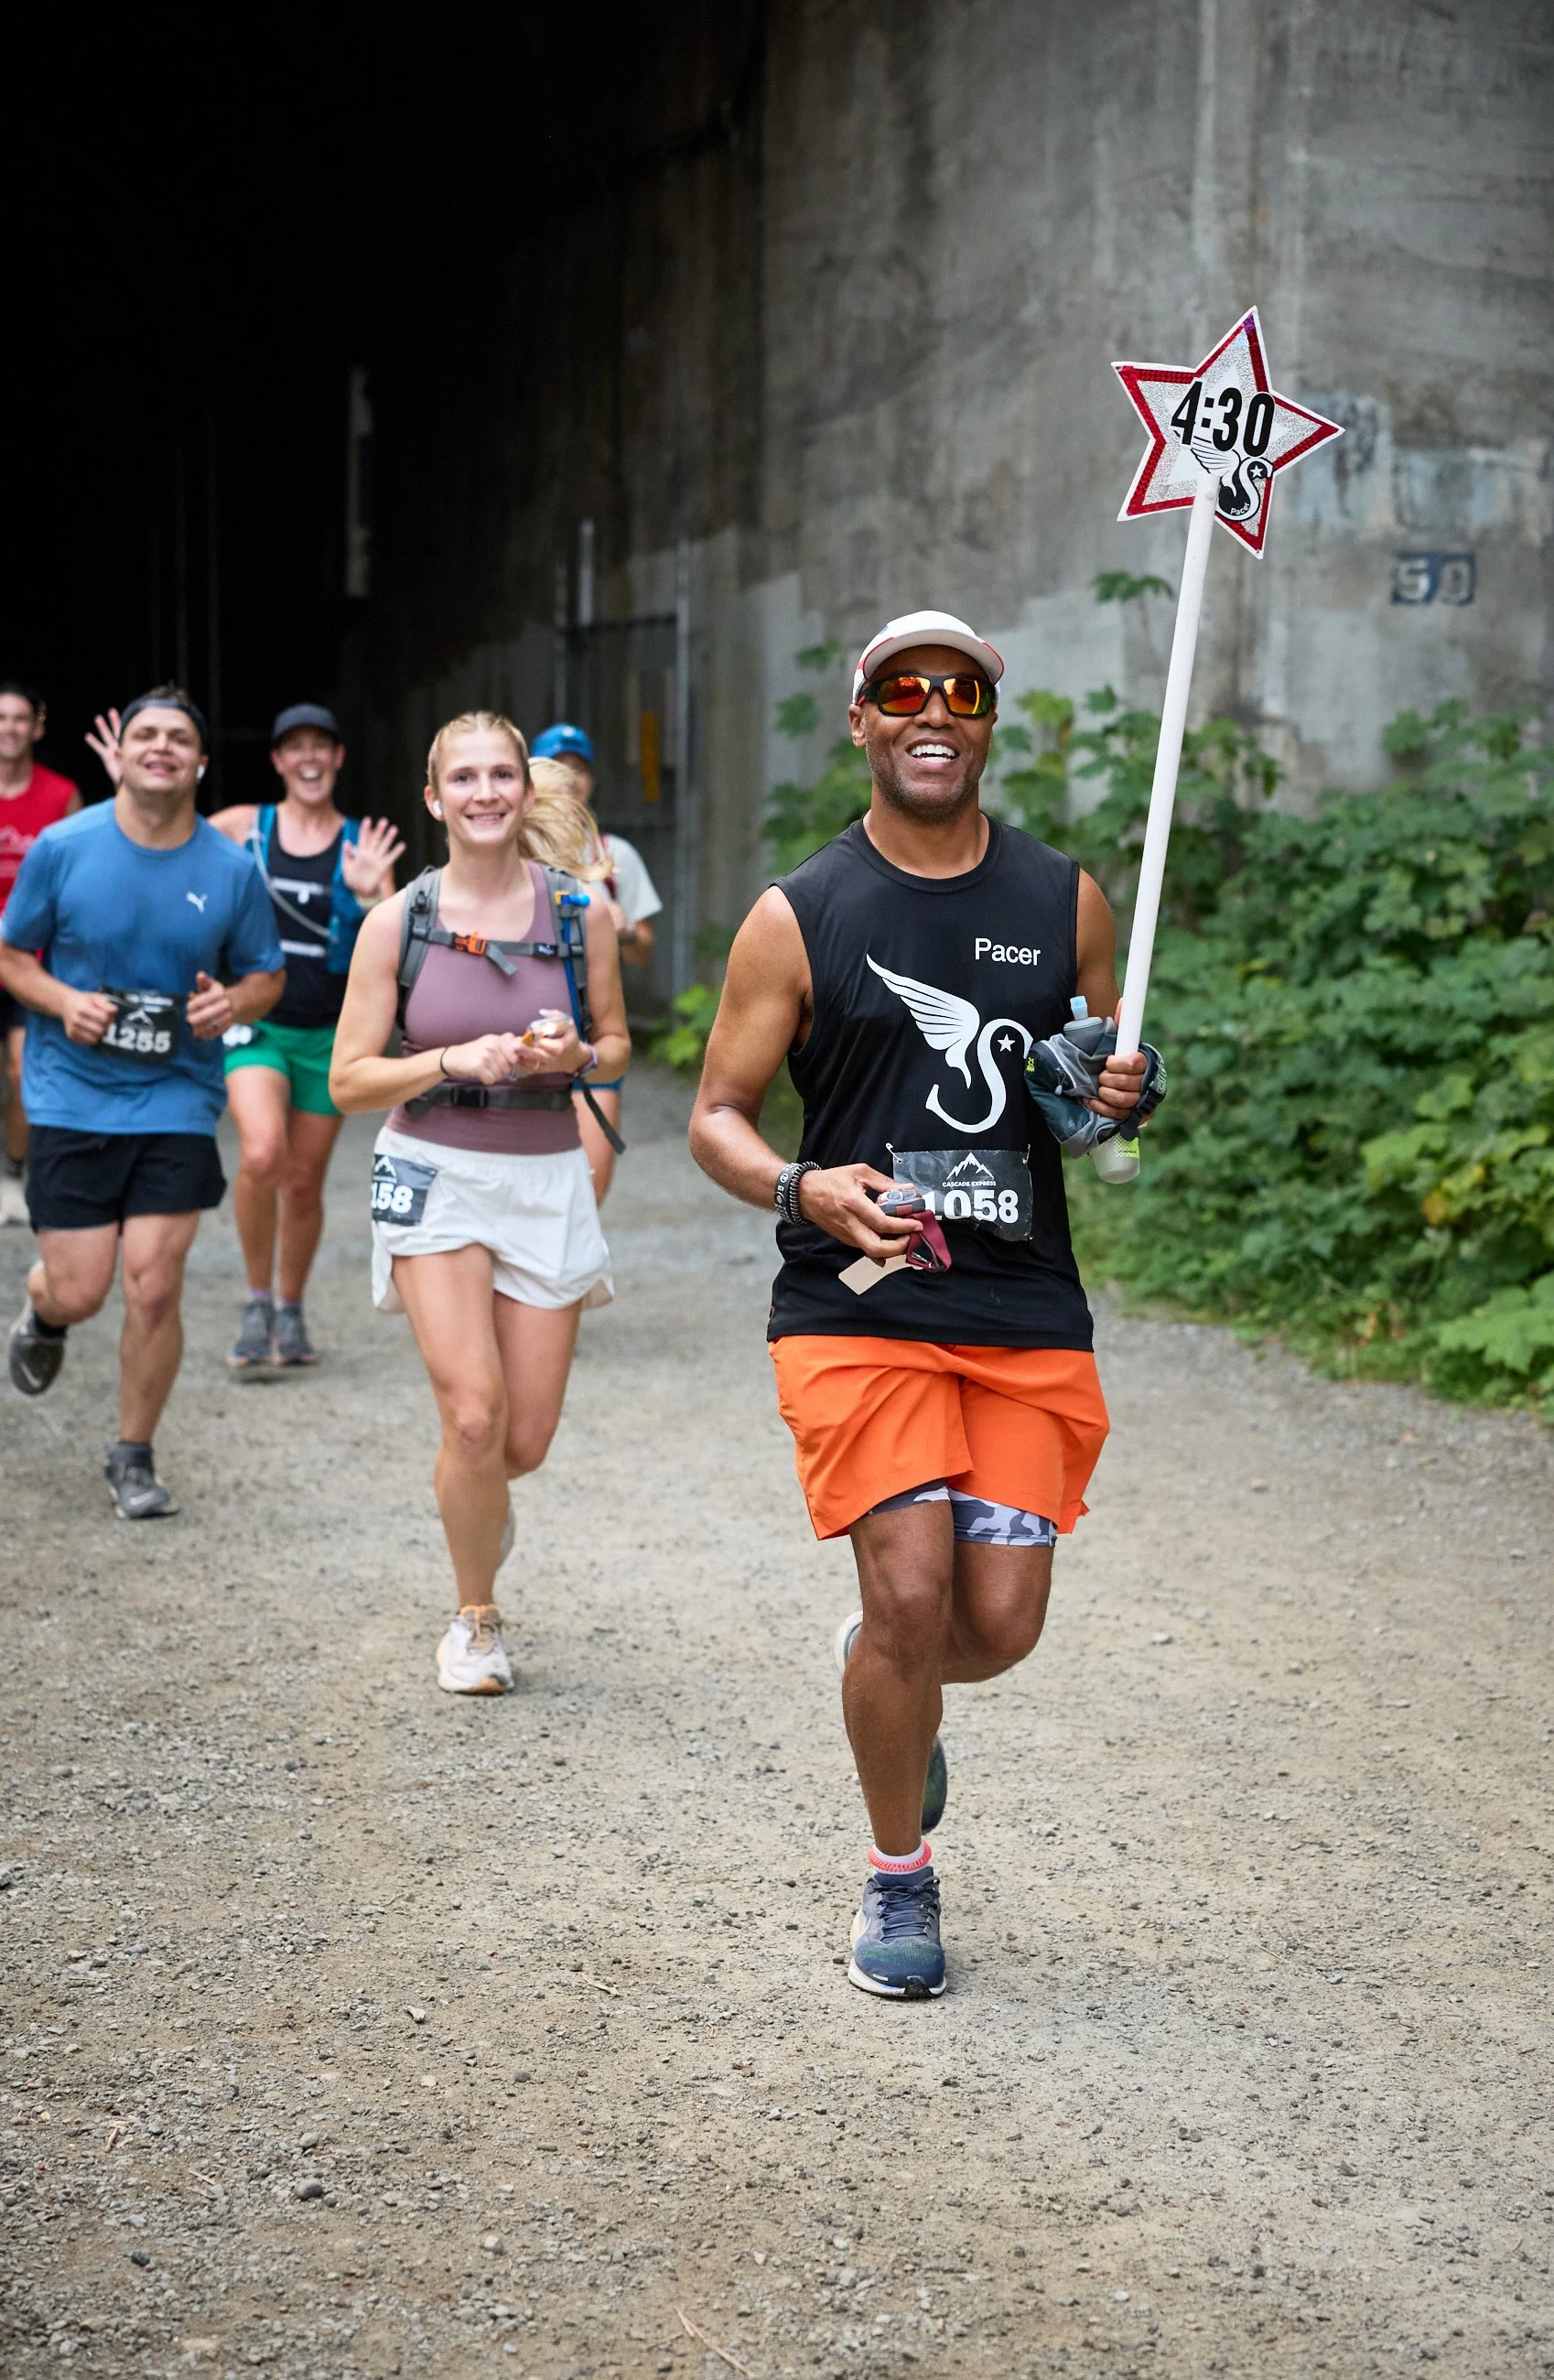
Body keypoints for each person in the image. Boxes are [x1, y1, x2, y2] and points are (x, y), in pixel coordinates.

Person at [689, 611, 1161, 2000]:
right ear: (862, 721)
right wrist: (802, 1185)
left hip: (1021, 1309)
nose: (933, 710)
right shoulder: (799, 914)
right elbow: (714, 1116)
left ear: (988, 725)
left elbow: (1088, 1106)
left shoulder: (1062, 899)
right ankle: (899, 1872)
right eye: (904, 690)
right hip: (860, 1305)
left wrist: (1120, 1093)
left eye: (961, 691)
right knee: (909, 1593)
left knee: (996, 1624)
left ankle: (884, 1675)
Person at [330, 710, 629, 1693]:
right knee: (471, 1416)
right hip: (433, 1169)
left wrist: (573, 1054)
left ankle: (480, 1497)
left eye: (501, 774)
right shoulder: (397, 921)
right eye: (463, 778)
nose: (485, 792)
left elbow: (615, 1045)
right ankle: (476, 1620)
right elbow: (347, 1080)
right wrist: (449, 1059)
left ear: (526, 789)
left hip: (545, 1174)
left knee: (519, 1442)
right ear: (433, 798)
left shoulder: (579, 913)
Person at [0, 687, 285, 1519]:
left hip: (175, 1096)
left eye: (178, 738)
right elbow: (11, 956)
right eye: (145, 734)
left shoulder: (231, 870)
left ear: (200, 762)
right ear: (118, 754)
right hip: (72, 1096)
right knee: (81, 1290)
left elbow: (266, 975)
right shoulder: (62, 847)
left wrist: (232, 1003)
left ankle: (133, 1456)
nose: (161, 747)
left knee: (153, 1287)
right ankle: (44, 1313)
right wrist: (63, 1002)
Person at [202, 704, 404, 1368]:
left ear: (339, 758)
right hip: (256, 1023)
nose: (309, 758)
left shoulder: (363, 844)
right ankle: (256, 1301)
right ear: (277, 760)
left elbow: (393, 945)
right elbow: (169, 852)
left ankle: (290, 1310)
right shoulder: (242, 828)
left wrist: (370, 895)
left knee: (305, 1180)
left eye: (322, 745)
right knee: (263, 1153)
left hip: (329, 1034)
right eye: (295, 747)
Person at [530, 723, 659, 1199]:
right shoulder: (505, 852)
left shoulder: (614, 856)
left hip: (591, 1035)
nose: (569, 779)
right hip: (521, 1037)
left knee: (586, 1196)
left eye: (579, 769)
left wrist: (622, 931)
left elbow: (644, 951)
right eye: (556, 768)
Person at [0, 684, 81, 1217]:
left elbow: (80, 874)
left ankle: (14, 1177)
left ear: (37, 727)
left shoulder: (62, 796)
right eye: (0, 718)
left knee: (24, 1072)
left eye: (21, 719)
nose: (10, 728)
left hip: (36, 959)